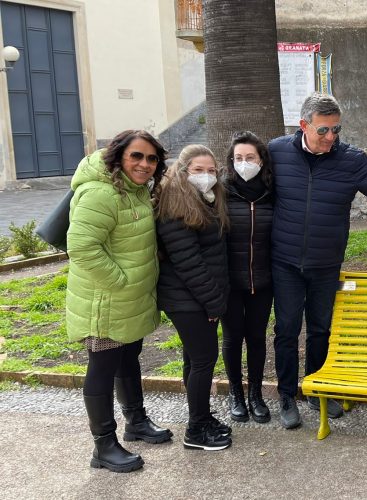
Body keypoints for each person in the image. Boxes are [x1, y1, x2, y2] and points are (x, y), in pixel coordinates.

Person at [269, 93, 367, 429]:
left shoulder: (351, 159)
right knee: (286, 329)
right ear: (303, 126)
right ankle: (286, 395)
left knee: (320, 329)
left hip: (326, 263)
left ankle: (316, 389)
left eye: (336, 129)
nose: (331, 137)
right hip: (285, 261)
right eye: (323, 130)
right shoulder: (277, 153)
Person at [67, 129, 172, 473]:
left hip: (130, 300)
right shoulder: (100, 193)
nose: (145, 164)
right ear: (118, 156)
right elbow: (82, 247)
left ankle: (136, 422)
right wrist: (120, 282)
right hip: (106, 301)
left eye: (151, 158)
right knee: (102, 368)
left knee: (129, 358)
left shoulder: (136, 190)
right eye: (136, 156)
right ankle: (104, 446)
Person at [156, 144, 232, 451]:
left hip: (197, 297)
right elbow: (188, 263)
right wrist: (213, 302)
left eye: (212, 170)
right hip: (188, 299)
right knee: (204, 360)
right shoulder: (176, 204)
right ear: (183, 170)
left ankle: (201, 416)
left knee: (194, 359)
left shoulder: (205, 199)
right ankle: (196, 431)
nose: (206, 175)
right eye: (198, 170)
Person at [221, 131, 275, 424]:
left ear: (261, 160)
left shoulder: (272, 191)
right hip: (230, 283)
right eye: (238, 158)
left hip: (262, 281)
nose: (244, 163)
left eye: (250, 157)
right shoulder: (221, 192)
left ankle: (255, 393)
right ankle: (235, 393)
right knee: (232, 338)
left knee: (256, 337)